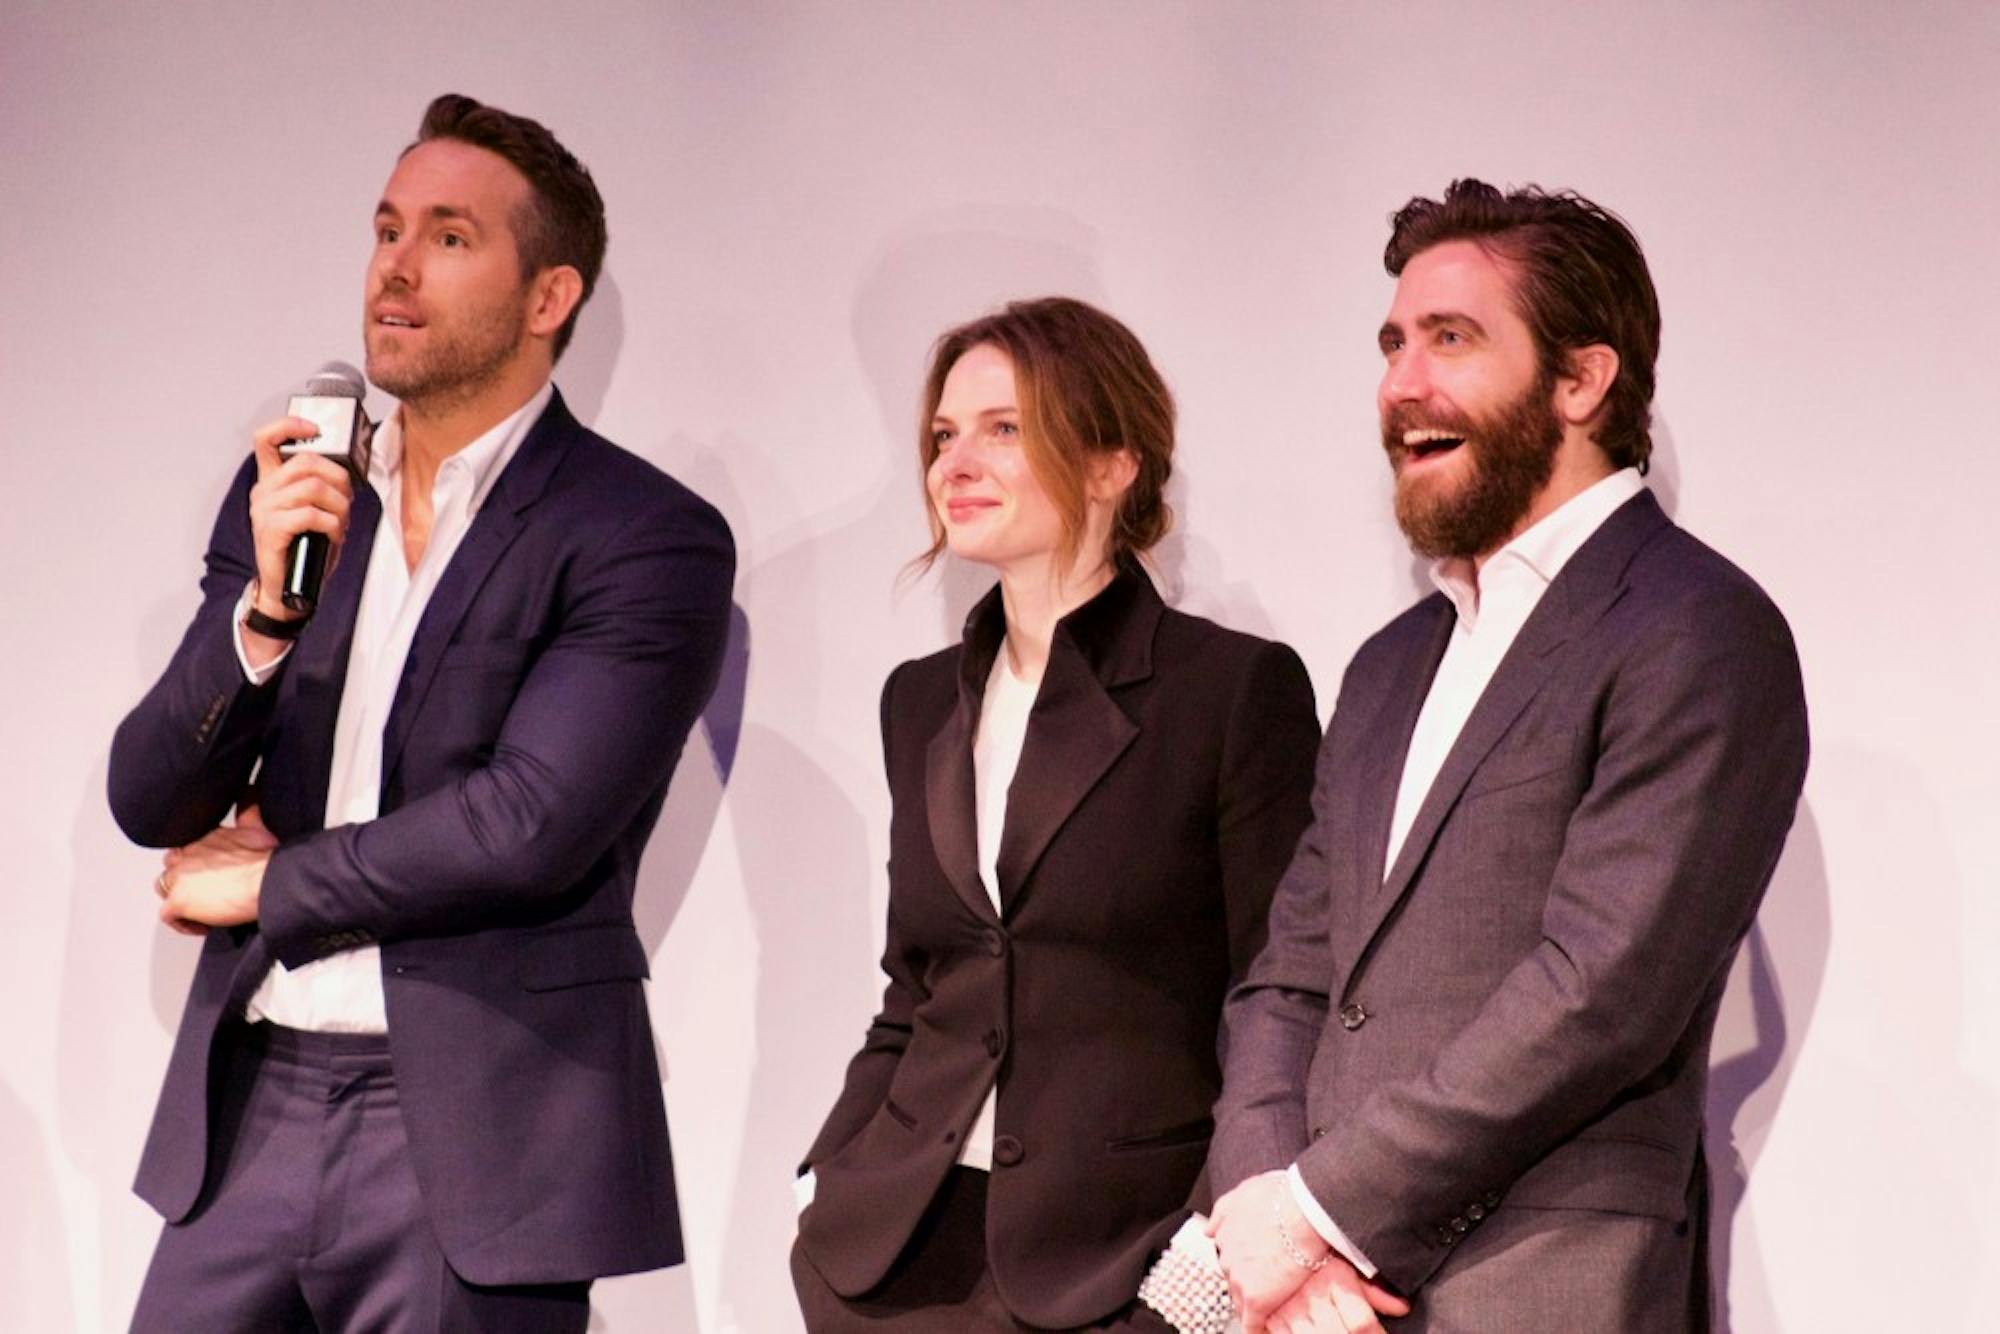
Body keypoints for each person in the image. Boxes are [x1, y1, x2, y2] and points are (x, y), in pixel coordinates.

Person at [111, 94, 734, 1331]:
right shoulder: (297, 490)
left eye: (448, 237)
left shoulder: (640, 534)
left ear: (548, 296)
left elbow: (525, 822)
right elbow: (150, 795)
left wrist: (269, 882)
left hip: (474, 1130)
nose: (393, 267)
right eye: (386, 228)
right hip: (248, 1111)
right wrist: (262, 624)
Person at [1205, 180, 1809, 1334]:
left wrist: (1319, 1210)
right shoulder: (1390, 663)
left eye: (1450, 339)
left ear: (1581, 380)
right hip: (1311, 1304)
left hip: (1542, 1283)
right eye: (1391, 343)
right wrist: (1260, 1210)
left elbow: (1598, 994)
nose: (1398, 384)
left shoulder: (1696, 626)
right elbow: (1289, 976)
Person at [791, 297, 1322, 1330]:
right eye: (944, 435)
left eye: (1001, 428)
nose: (955, 462)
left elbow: (1280, 997)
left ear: (1109, 461)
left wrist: (1204, 1268)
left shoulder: (1228, 689)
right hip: (893, 1262)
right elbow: (919, 988)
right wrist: (823, 1181)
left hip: (1115, 1264)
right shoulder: (918, 698)